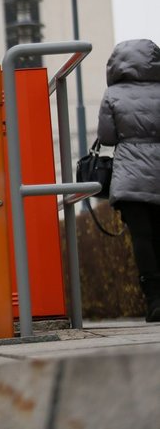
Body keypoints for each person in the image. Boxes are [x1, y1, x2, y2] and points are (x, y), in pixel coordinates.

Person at [97, 38, 160, 322]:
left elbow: (107, 137)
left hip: (131, 175)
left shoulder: (113, 95)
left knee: (142, 238)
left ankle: (155, 301)